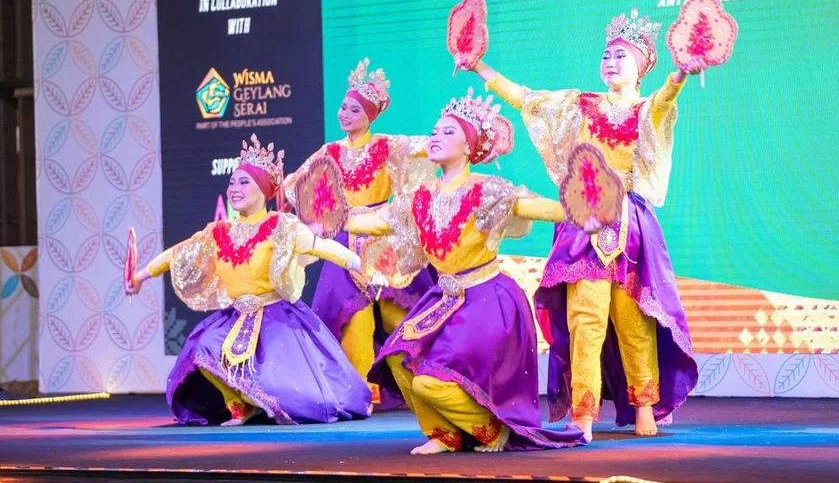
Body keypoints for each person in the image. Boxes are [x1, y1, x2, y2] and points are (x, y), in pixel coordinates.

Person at [469, 7, 699, 440]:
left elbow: (667, 102)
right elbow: (527, 99)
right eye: (606, 55)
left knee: (634, 320)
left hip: (630, 226)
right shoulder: (580, 105)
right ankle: (584, 414)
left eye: (621, 56)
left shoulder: (649, 108)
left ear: (641, 68)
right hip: (584, 222)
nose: (610, 62)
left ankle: (645, 407)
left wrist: (680, 75)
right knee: (585, 318)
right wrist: (481, 67)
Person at [347, 89, 585, 454]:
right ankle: (446, 433)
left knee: (431, 382)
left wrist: (577, 209)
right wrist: (333, 219)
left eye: (447, 132)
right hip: (443, 298)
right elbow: (381, 222)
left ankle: (491, 430)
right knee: (398, 357)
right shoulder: (421, 194)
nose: (435, 137)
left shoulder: (486, 189)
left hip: (488, 299)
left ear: (469, 145)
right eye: (435, 131)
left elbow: (529, 206)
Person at [130, 134, 371, 426]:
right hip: (235, 316)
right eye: (232, 182)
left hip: (277, 317)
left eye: (244, 182)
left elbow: (319, 246)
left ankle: (264, 402)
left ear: (264, 189)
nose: (234, 188)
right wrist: (142, 275)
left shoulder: (281, 226)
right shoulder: (219, 231)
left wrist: (357, 261)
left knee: (295, 394)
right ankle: (239, 406)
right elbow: (178, 253)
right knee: (202, 348)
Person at [282, 59, 435, 407]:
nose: (345, 114)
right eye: (343, 107)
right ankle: (360, 394)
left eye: (354, 109)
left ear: (370, 114)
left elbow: (427, 147)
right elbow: (299, 182)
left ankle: (420, 389)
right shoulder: (330, 151)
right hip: (344, 238)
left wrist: (467, 138)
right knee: (353, 320)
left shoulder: (387, 145)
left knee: (402, 317)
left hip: (384, 238)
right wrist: (304, 201)